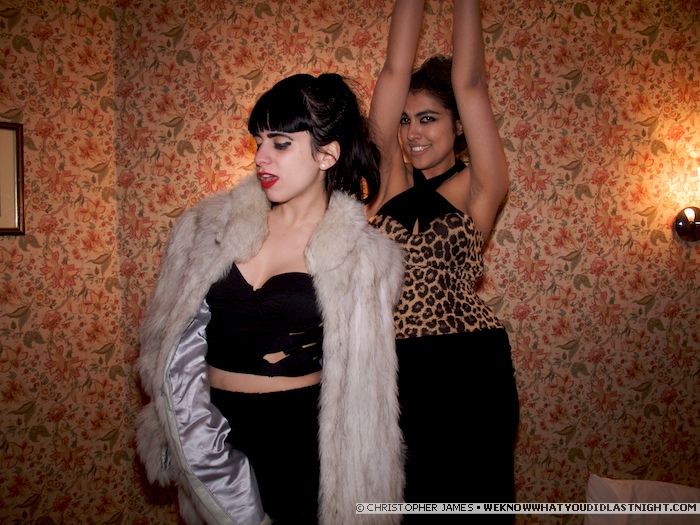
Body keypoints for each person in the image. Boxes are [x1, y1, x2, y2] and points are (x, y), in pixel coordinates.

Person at [136, 73, 406, 525]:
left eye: (280, 143)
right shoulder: (206, 228)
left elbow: (366, 391)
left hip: (301, 444)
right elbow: (166, 348)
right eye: (258, 142)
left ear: (326, 154)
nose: (261, 157)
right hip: (206, 434)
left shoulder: (363, 258)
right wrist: (191, 435)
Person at [368, 0, 519, 521]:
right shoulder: (386, 181)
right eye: (406, 120)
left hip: (469, 369)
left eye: (429, 118)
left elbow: (471, 83)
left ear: (458, 125)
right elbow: (393, 72)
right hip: (393, 370)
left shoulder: (480, 185)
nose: (413, 132)